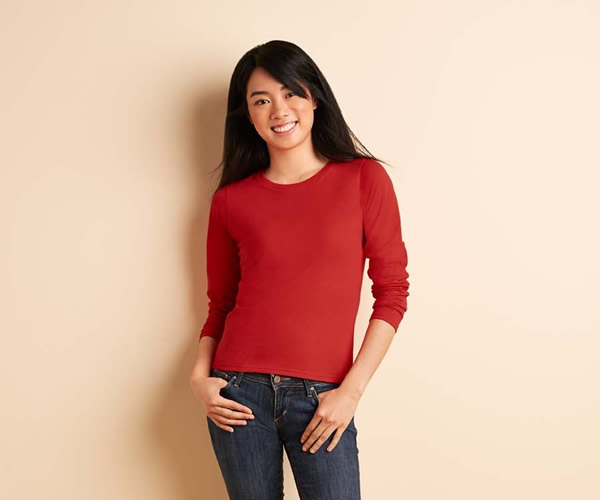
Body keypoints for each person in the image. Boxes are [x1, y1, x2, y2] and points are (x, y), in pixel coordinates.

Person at [189, 39, 410, 500]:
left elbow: (392, 293)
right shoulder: (230, 201)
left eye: (290, 92)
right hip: (237, 392)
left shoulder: (364, 179)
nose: (279, 110)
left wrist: (350, 392)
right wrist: (200, 377)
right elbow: (221, 304)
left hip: (323, 395)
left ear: (314, 97)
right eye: (261, 100)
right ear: (248, 116)